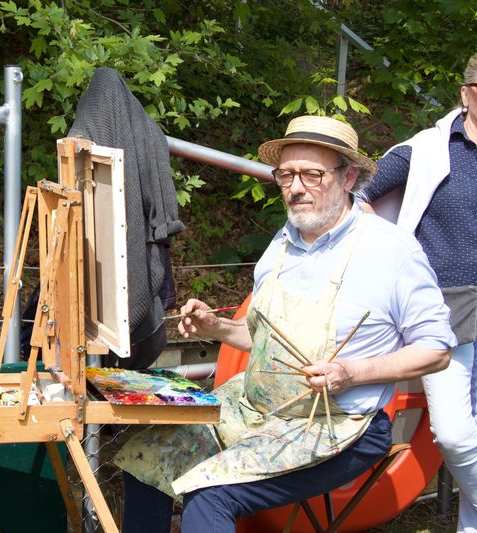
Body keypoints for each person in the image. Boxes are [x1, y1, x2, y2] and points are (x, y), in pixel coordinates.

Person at [114, 115, 456, 533]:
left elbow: (437, 348)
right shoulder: (282, 244)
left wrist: (352, 373)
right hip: (255, 412)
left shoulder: (391, 250)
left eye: (312, 175)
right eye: (286, 175)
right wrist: (216, 328)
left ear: (348, 177)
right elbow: (263, 339)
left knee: (210, 495)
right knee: (145, 460)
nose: (295, 188)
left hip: (339, 428)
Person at [357, 53, 477, 533]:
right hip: (444, 312)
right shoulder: (425, 151)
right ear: (468, 93)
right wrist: (395, 261)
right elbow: (356, 199)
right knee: (452, 433)